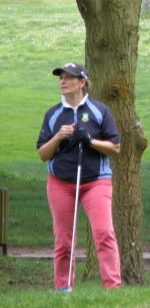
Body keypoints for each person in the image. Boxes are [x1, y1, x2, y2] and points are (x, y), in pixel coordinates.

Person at [36, 62, 122, 291]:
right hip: (61, 183)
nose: (62, 82)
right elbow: (43, 154)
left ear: (82, 83)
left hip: (96, 181)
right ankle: (64, 289)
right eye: (61, 77)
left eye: (68, 78)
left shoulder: (98, 111)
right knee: (64, 240)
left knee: (104, 233)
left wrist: (90, 141)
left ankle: (113, 289)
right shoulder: (54, 115)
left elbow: (115, 147)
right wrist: (58, 137)